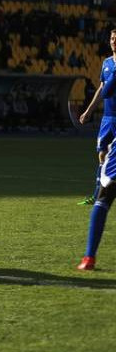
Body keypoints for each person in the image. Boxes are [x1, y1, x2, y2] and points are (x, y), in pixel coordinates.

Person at [77, 29, 116, 270]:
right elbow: (103, 89)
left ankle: (89, 257)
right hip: (108, 119)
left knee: (106, 196)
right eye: (112, 37)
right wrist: (90, 110)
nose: (114, 41)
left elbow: (109, 89)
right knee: (102, 155)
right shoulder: (106, 63)